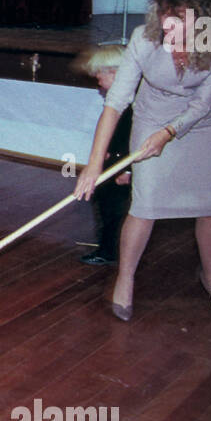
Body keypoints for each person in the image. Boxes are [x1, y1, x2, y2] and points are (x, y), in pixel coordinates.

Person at [73, 0, 211, 321]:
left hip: (199, 121)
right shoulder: (144, 40)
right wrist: (92, 165)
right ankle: (125, 279)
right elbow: (116, 102)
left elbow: (204, 102)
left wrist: (169, 133)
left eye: (184, 23)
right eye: (169, 19)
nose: (172, 30)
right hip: (151, 116)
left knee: (210, 206)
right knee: (145, 205)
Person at [73, 44, 133, 266]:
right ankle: (107, 246)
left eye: (100, 71)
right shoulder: (117, 101)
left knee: (114, 208)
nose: (96, 76)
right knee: (102, 200)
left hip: (124, 165)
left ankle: (109, 250)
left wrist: (126, 168)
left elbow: (131, 137)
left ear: (116, 72)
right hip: (114, 161)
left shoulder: (131, 105)